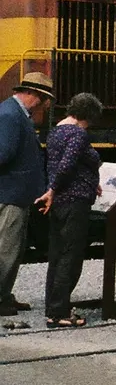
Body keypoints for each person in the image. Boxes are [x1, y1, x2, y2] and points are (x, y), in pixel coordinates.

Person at [36, 92, 104, 328]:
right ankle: (59, 313)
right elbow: (67, 164)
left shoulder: (56, 131)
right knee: (70, 256)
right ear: (89, 115)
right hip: (74, 201)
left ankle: (53, 307)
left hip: (60, 202)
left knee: (57, 254)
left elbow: (59, 164)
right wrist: (52, 190)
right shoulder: (78, 134)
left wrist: (88, 181)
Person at [0, 72, 53, 316]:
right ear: (31, 94)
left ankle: (5, 295)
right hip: (10, 193)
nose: (45, 105)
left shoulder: (14, 113)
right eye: (43, 99)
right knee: (6, 248)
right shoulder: (10, 115)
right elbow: (3, 154)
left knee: (13, 248)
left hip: (15, 192)